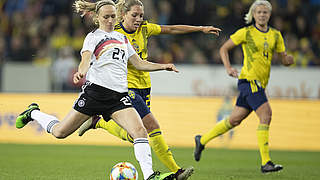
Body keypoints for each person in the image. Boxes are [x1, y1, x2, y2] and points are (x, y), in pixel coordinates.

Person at [15, 1, 179, 179]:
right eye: (106, 17)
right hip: (95, 94)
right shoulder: (93, 37)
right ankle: (33, 113)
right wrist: (81, 72)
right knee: (60, 132)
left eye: (112, 16)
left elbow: (139, 63)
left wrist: (163, 66)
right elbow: (85, 59)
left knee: (140, 131)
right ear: (97, 18)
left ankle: (150, 176)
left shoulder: (122, 38)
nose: (110, 20)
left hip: (119, 97)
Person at [77, 0, 221, 179]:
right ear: (123, 15)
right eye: (134, 15)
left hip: (144, 85)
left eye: (141, 16)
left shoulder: (145, 29)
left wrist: (200, 29)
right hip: (125, 87)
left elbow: (172, 29)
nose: (138, 19)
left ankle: (99, 122)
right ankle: (176, 171)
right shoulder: (115, 33)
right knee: (152, 126)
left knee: (137, 135)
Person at [193, 0, 294, 173]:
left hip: (259, 83)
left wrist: (288, 60)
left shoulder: (276, 35)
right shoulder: (246, 33)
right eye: (259, 12)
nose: (262, 15)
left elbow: (283, 59)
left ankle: (202, 140)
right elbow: (224, 48)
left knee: (234, 120)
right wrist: (228, 68)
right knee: (266, 114)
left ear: (269, 14)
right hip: (249, 81)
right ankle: (266, 162)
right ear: (253, 14)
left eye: (265, 12)